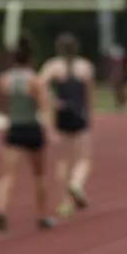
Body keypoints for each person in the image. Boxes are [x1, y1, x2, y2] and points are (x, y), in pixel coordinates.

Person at [0, 37, 54, 232]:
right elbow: (44, 107)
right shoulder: (34, 80)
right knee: (39, 175)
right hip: (32, 128)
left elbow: (2, 108)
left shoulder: (3, 80)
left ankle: (1, 209)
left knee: (7, 176)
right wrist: (49, 130)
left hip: (14, 128)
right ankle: (42, 215)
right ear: (31, 58)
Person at [40, 33, 97, 216]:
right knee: (84, 157)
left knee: (63, 159)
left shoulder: (53, 66)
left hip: (62, 115)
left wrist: (52, 101)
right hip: (79, 114)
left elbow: (39, 85)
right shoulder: (85, 67)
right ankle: (76, 183)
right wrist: (90, 117)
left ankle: (64, 201)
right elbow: (89, 95)